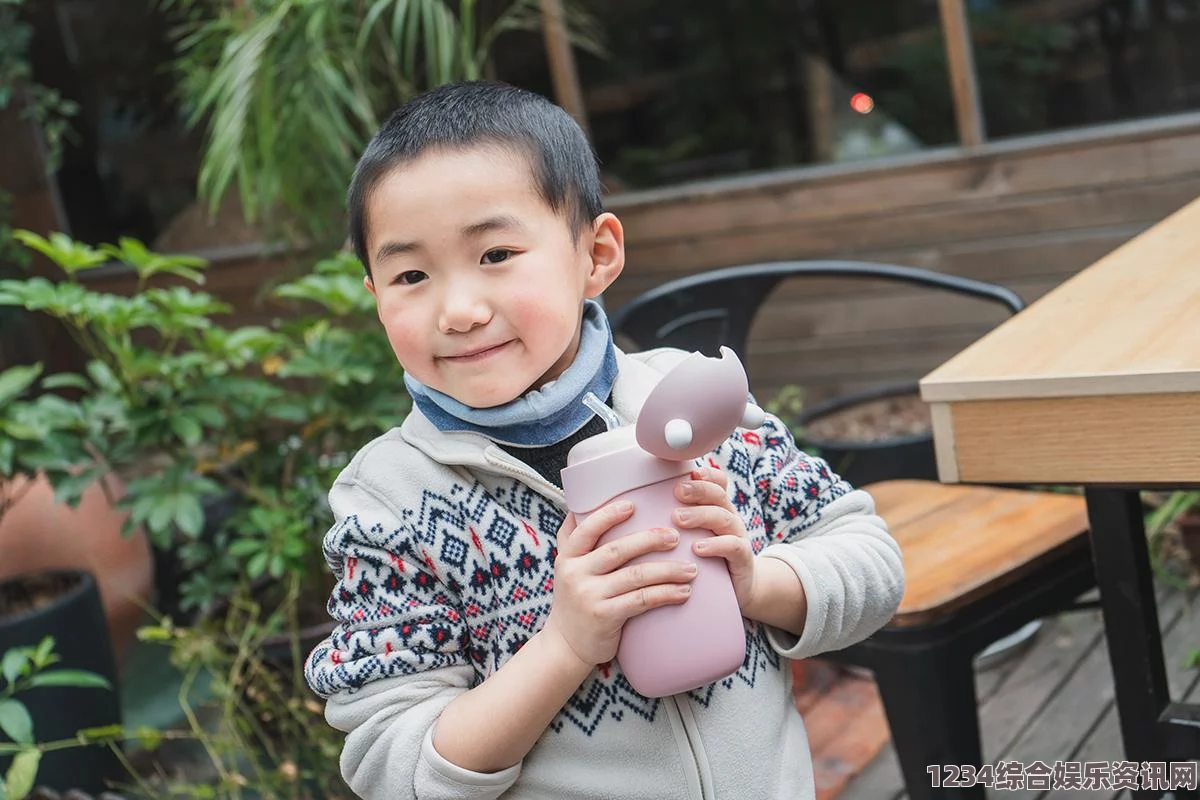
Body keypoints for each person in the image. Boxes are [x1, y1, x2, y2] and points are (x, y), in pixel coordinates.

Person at [304, 80, 905, 800]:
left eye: (495, 254)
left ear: (597, 253)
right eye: (410, 274)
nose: (458, 310)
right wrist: (563, 648)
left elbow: (873, 565)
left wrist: (759, 582)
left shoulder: (695, 407)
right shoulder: (391, 504)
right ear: (374, 291)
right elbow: (390, 765)